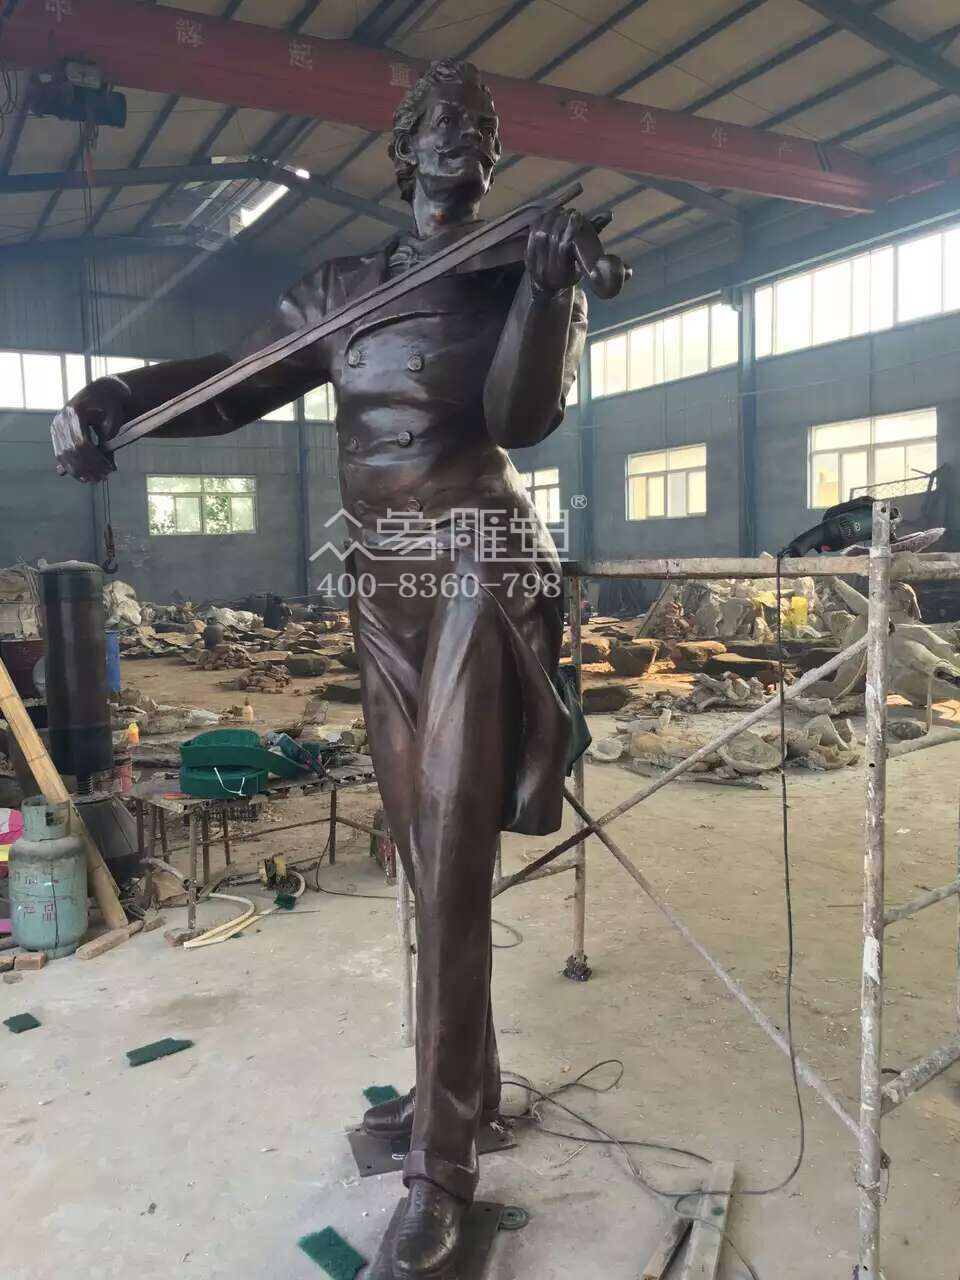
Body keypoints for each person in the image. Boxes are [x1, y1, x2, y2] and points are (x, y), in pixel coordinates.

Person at [54, 58, 586, 1278]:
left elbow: (521, 417)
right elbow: (231, 388)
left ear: (494, 154)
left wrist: (551, 291)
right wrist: (114, 398)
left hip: (477, 565)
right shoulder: (344, 290)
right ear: (404, 149)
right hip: (382, 585)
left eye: (481, 124)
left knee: (453, 847)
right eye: (440, 121)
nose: (462, 137)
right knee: (425, 853)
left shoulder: (521, 263)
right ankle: (465, 1084)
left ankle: (441, 1167)